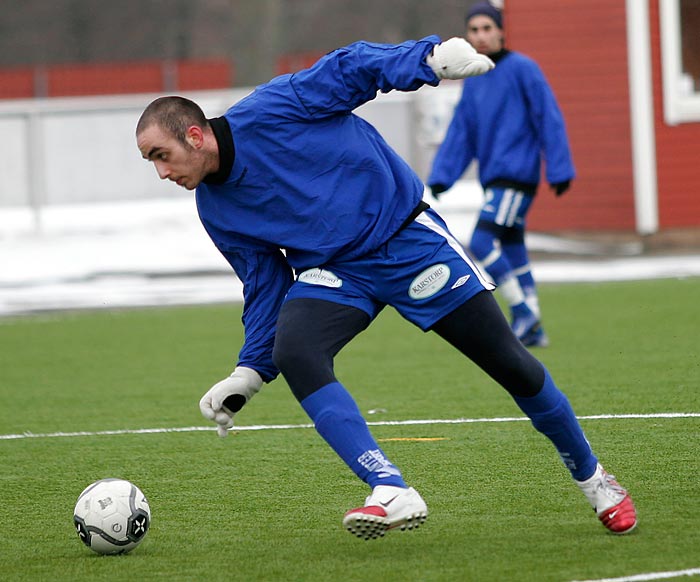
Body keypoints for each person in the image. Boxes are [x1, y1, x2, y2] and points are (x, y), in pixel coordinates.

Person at [136, 35, 636, 539]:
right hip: (338, 273)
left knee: (513, 365)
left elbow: (351, 68)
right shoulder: (215, 210)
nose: (161, 172)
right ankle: (390, 489)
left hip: (407, 241)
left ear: (195, 136)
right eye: (151, 162)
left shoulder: (274, 107)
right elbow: (265, 286)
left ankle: (596, 480)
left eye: (162, 155)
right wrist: (250, 370)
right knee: (297, 350)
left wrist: (429, 59)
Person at [427, 2, 575, 348]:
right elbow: (461, 132)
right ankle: (534, 327)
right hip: (494, 178)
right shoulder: (474, 78)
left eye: (486, 28)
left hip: (517, 176)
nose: (480, 36)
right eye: (474, 30)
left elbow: (548, 117)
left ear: (501, 31)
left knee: (480, 241)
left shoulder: (524, 69)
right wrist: (442, 175)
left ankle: (522, 311)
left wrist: (559, 167)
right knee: (512, 246)